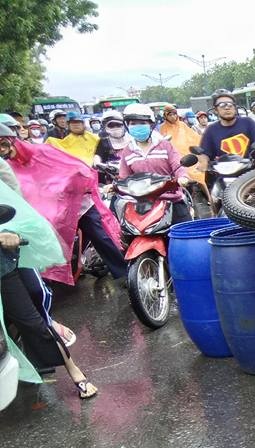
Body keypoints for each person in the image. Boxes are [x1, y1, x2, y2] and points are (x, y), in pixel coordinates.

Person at [0, 178, 99, 398]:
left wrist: (10, 233)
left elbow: (17, 208)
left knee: (33, 319)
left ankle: (74, 371)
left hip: (5, 265)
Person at [0, 123, 126, 284]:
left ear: (13, 141)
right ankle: (49, 280)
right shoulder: (8, 167)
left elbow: (74, 167)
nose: (2, 150)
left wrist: (64, 188)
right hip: (50, 213)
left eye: (4, 144)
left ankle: (123, 273)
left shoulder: (43, 152)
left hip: (77, 204)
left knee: (100, 236)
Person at [117, 103, 192, 225]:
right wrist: (114, 186)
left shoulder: (164, 145)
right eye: (133, 123)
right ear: (127, 126)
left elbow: (178, 165)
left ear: (151, 124)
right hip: (142, 205)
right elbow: (124, 177)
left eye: (142, 123)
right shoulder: (128, 151)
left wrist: (182, 177)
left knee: (186, 232)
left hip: (171, 200)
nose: (137, 126)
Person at [197, 89, 255, 173]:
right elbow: (204, 153)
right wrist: (203, 163)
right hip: (223, 175)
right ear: (215, 110)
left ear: (235, 107)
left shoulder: (248, 122)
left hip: (250, 174)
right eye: (222, 105)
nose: (227, 107)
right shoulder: (211, 130)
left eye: (230, 104)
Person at [157, 103, 203, 185]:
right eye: (170, 115)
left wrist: (204, 142)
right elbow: (162, 143)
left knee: (200, 174)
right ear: (165, 116)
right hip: (174, 157)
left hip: (188, 156)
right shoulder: (162, 128)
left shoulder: (182, 125)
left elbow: (194, 137)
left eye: (174, 114)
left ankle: (207, 193)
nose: (173, 117)